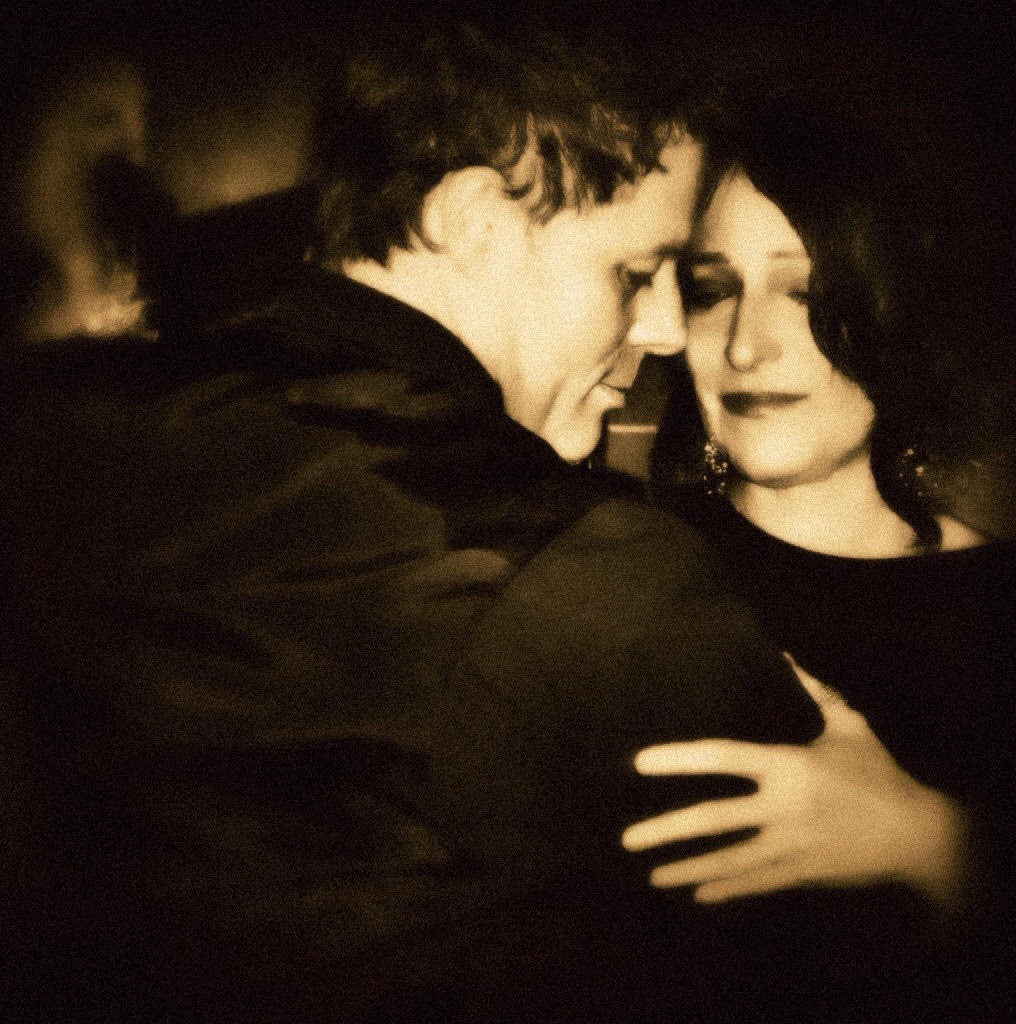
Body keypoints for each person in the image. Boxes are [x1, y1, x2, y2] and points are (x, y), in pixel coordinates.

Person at [2, 16, 825, 1024]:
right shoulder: (602, 580)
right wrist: (952, 859)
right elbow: (827, 960)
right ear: (473, 217)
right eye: (633, 272)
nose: (660, 330)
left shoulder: (62, 433)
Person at [629, 108, 1016, 1022]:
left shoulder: (997, 611)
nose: (745, 345)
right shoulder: (617, 561)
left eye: (804, 293)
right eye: (711, 290)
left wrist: (933, 844)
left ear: (898, 314)